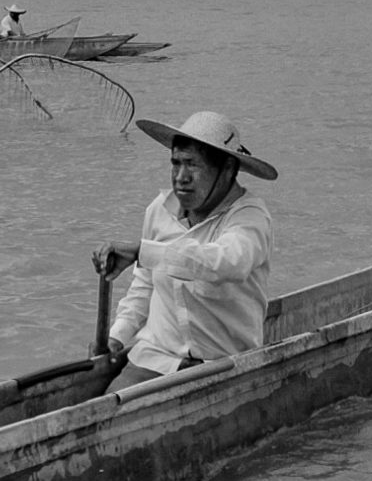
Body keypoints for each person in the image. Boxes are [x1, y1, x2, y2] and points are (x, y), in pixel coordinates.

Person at [94, 111, 276, 390]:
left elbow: (224, 263)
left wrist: (144, 252)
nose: (181, 177)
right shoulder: (159, 210)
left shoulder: (250, 218)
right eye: (176, 163)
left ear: (227, 169)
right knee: (107, 407)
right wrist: (116, 337)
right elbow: (144, 288)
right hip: (155, 357)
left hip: (222, 364)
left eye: (192, 165)